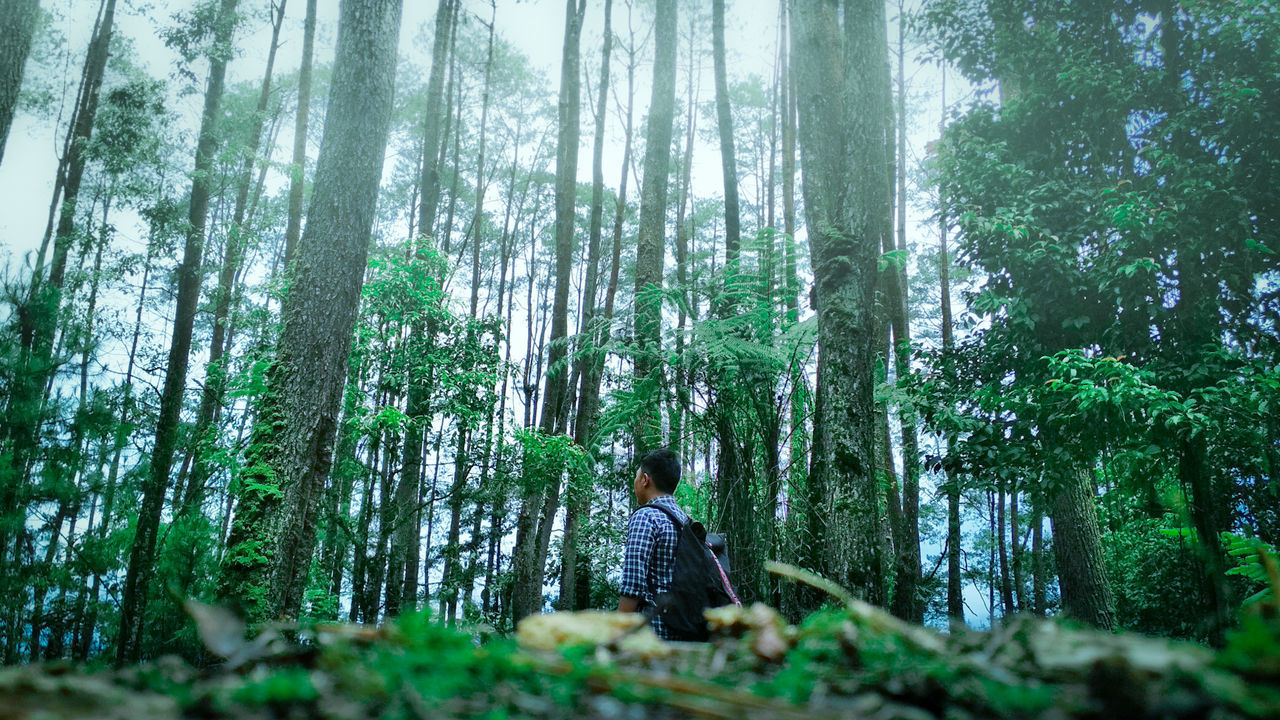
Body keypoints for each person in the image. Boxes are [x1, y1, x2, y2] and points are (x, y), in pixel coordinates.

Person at [617, 447, 690, 640]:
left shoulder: (646, 517)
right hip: (683, 629)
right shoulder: (685, 520)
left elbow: (632, 586)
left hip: (653, 632)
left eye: (636, 476)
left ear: (645, 480)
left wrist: (617, 634)